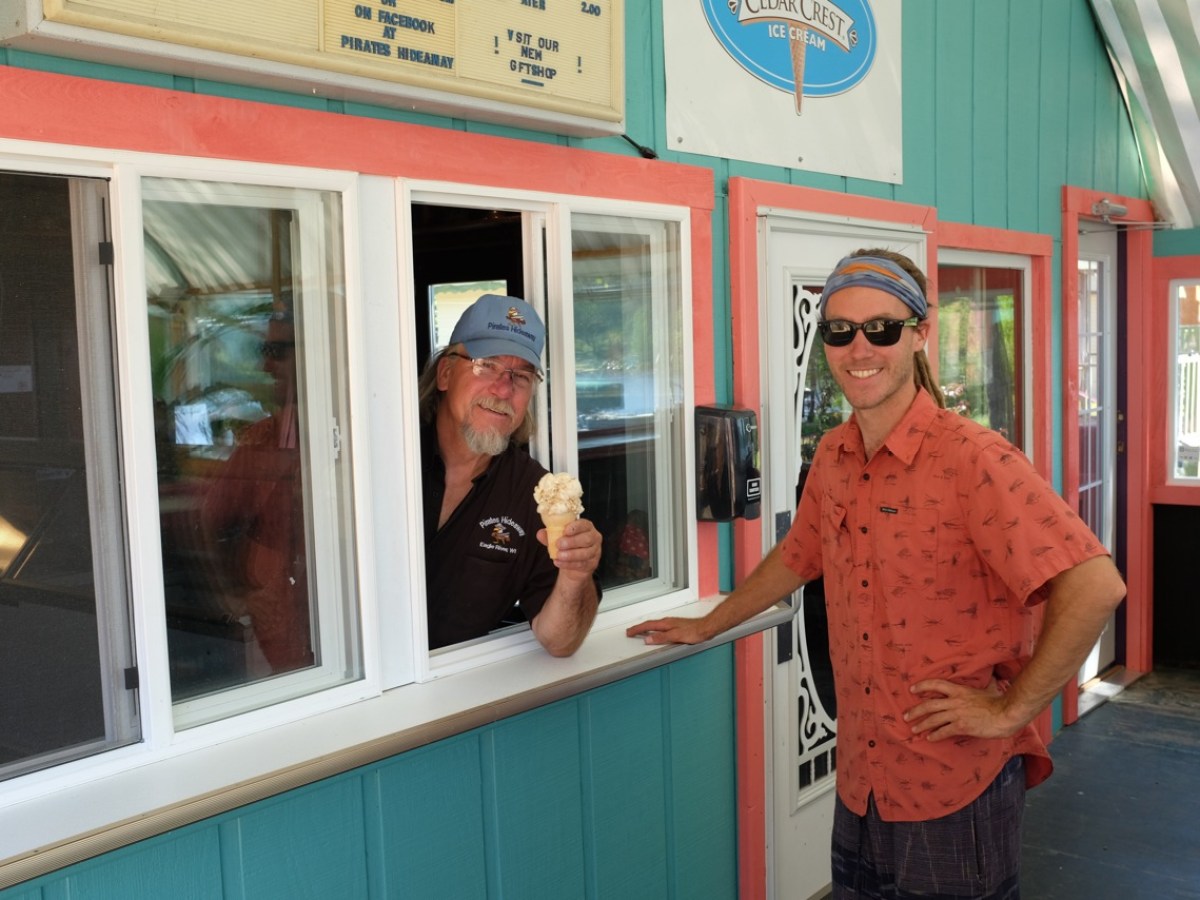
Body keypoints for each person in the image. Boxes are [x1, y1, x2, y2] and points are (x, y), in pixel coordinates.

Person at [627, 249, 1127, 899]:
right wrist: (709, 624)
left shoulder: (972, 459)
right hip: (864, 778)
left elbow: (1094, 584)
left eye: (881, 328)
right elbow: (798, 555)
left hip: (956, 787)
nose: (858, 347)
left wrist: (1012, 710)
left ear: (920, 335)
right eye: (839, 330)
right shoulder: (834, 455)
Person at [419, 293, 602, 655]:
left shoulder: (534, 494)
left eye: (521, 376)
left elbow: (561, 641)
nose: (504, 389)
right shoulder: (390, 459)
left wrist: (575, 575)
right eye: (486, 365)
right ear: (445, 373)